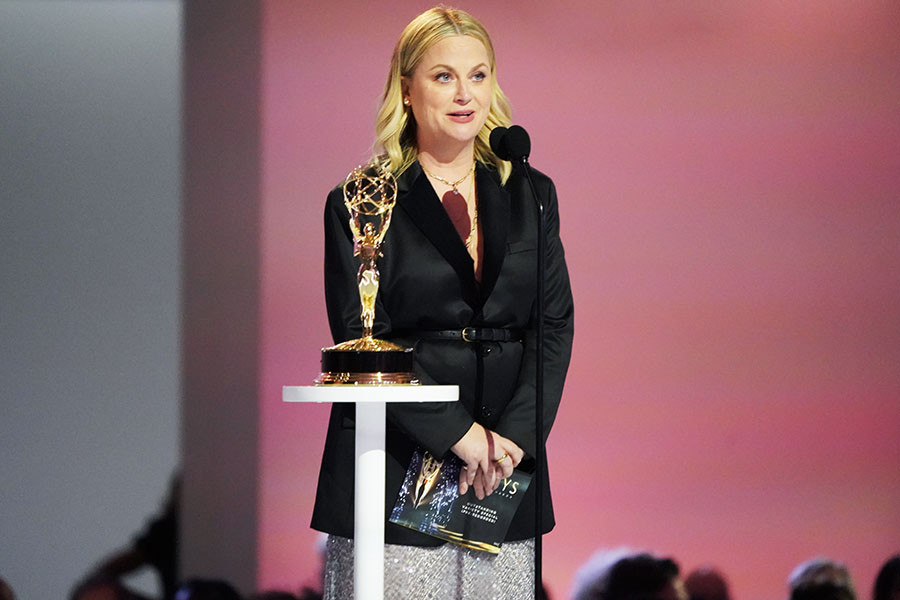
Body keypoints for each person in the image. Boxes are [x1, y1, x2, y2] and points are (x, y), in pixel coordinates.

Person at [310, 6, 574, 599]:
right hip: (398, 457)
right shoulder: (360, 200)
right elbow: (362, 338)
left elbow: (552, 323)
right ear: (407, 89)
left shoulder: (529, 191)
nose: (465, 95)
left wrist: (513, 438)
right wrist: (460, 437)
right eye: (444, 76)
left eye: (478, 76)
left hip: (503, 464)